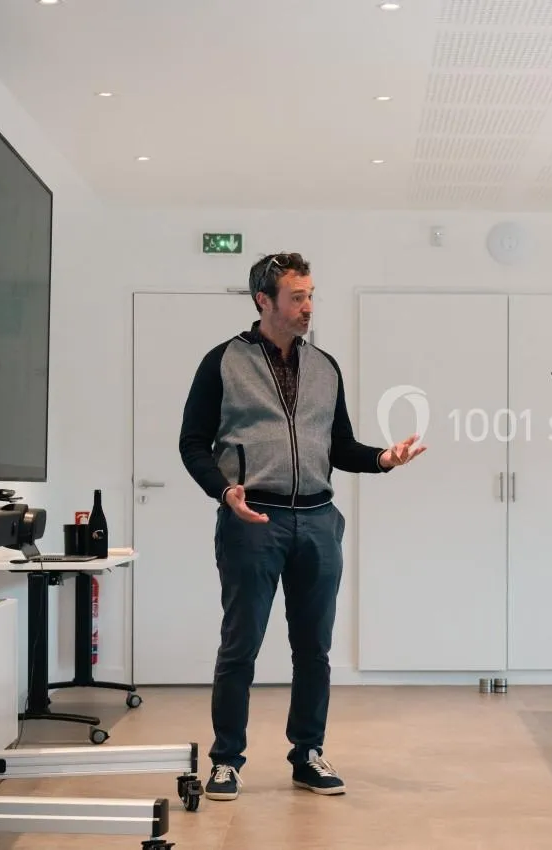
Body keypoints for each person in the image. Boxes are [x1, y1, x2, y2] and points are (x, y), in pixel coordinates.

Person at [178, 252, 427, 802]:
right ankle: (226, 760)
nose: (308, 306)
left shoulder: (325, 366)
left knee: (314, 650)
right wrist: (223, 491)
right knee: (240, 646)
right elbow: (192, 443)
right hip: (253, 521)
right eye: (297, 297)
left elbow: (340, 446)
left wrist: (382, 459)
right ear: (263, 301)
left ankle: (308, 754)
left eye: (311, 294)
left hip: (318, 521)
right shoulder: (222, 362)